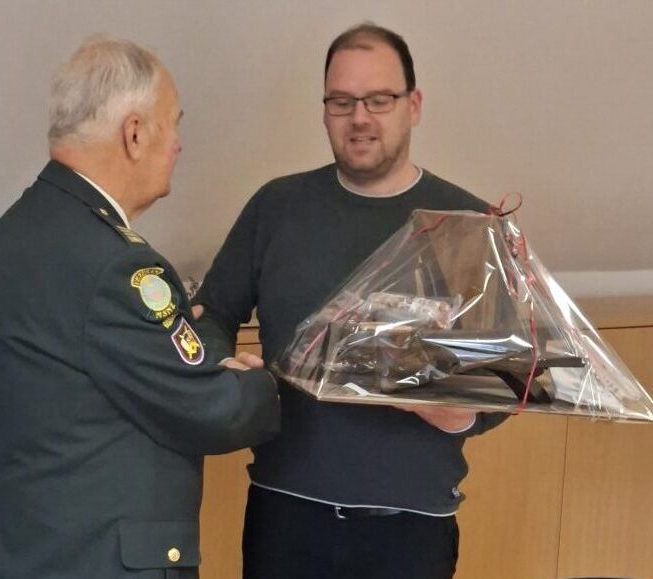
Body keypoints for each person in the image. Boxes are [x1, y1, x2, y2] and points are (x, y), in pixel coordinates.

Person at [194, 23, 507, 579]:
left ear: (413, 105)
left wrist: (460, 414)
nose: (359, 118)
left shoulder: (466, 224)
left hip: (413, 528)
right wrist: (226, 373)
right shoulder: (277, 207)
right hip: (284, 515)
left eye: (378, 100)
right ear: (325, 111)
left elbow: (506, 376)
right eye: (341, 102)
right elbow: (212, 313)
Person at [0, 38, 279, 579]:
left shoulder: (10, 235)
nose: (178, 144)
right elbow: (212, 408)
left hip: (20, 553)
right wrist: (262, 385)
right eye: (173, 125)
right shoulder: (116, 266)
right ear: (134, 134)